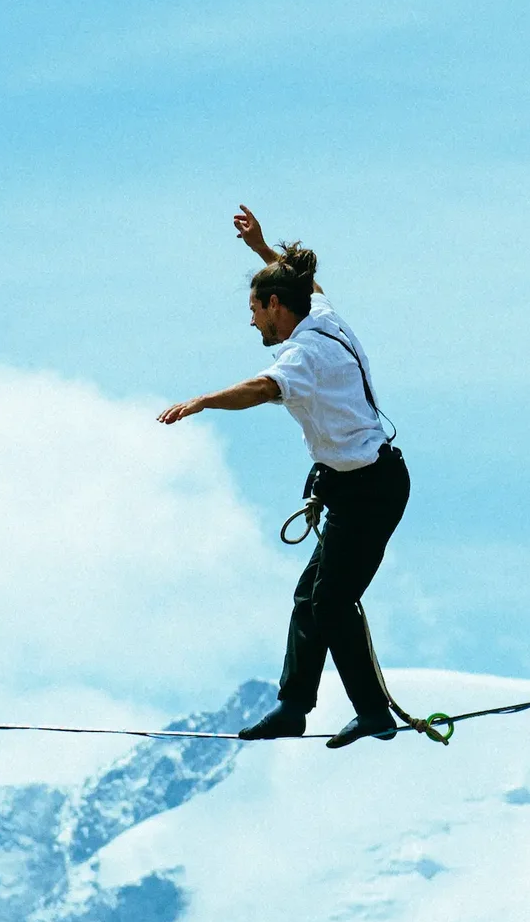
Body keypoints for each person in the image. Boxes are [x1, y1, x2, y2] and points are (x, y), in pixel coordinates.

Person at [158, 206, 412, 749]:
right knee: (310, 596)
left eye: (255, 309)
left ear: (276, 306)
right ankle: (293, 707)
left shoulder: (306, 353)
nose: (251, 321)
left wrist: (201, 402)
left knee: (332, 601)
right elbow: (307, 285)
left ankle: (373, 712)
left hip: (372, 491)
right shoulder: (323, 316)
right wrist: (261, 249)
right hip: (355, 487)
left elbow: (259, 389)